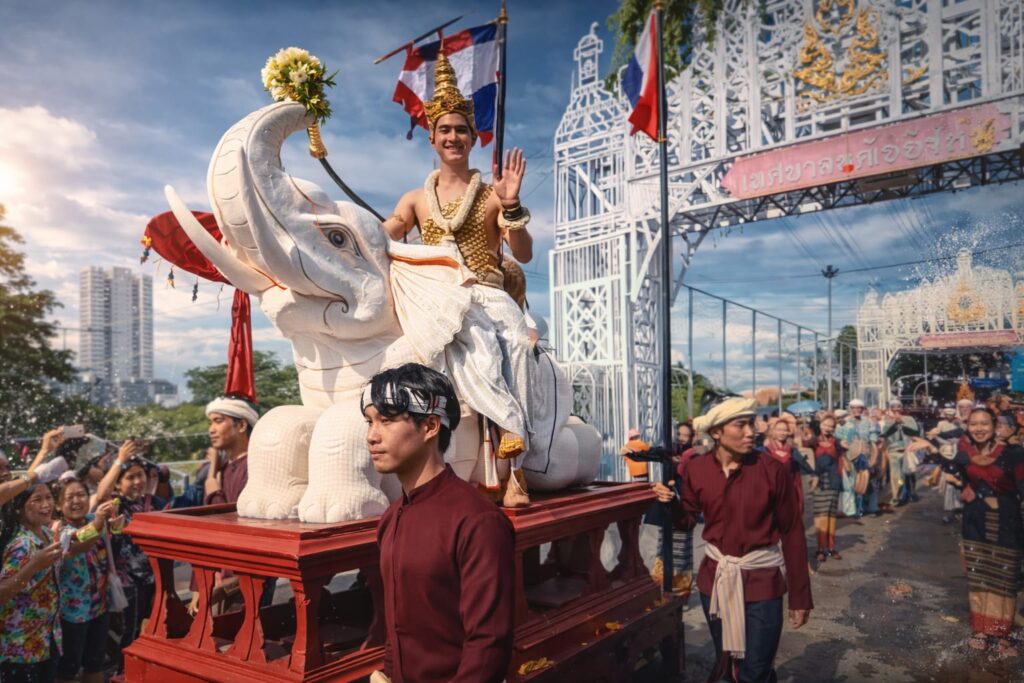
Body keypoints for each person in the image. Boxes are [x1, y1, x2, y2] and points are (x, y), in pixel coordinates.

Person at [382, 52, 534, 505]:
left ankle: (517, 467)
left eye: (461, 130)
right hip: (437, 298)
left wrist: (510, 206)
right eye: (445, 130)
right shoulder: (414, 199)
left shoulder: (490, 195)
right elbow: (382, 235)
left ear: (473, 137)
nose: (453, 137)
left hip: (487, 294)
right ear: (432, 138)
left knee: (520, 347)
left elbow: (522, 252)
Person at [366, 363, 515, 683]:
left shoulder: (477, 521)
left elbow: (488, 645)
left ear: (431, 425)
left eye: (387, 420)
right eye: (370, 421)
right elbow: (395, 628)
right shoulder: (391, 518)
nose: (372, 436)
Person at [652, 397, 812, 682]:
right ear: (716, 432)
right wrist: (670, 503)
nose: (751, 431)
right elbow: (687, 520)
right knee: (728, 665)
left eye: (752, 424)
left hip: (763, 582)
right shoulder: (696, 469)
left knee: (755, 670)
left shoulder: (771, 470)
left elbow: (792, 531)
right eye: (741, 425)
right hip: (715, 582)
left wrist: (800, 596)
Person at [911, 408, 1023, 657]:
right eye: (974, 424)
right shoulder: (967, 453)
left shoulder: (1013, 454)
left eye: (985, 423)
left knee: (1003, 580)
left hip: (1006, 523)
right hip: (974, 522)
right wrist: (931, 450)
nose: (979, 428)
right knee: (979, 577)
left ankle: (1002, 634)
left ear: (994, 426)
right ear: (968, 427)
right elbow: (957, 472)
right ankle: (981, 631)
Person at [93, 440, 166, 667]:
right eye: (130, 477)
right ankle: (122, 672)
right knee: (129, 633)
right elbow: (100, 493)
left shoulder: (153, 503)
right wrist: (120, 461)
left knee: (150, 628)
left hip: (153, 578)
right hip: (127, 582)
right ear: (118, 484)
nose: (137, 481)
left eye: (140, 476)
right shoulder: (117, 504)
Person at [54, 480, 118, 683]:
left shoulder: (94, 519)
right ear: (58, 505)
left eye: (81, 494)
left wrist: (116, 524)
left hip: (99, 605)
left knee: (95, 663)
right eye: (69, 497)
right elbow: (76, 543)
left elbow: (116, 536)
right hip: (71, 613)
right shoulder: (57, 529)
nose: (76, 501)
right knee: (67, 669)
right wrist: (99, 521)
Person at [0, 483, 63, 682]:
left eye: (49, 497)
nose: (46, 504)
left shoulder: (46, 533)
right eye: (37, 499)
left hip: (44, 640)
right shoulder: (22, 544)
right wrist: (34, 565)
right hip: (19, 649)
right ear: (19, 507)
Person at [203, 396, 259, 506]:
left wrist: (213, 492)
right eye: (210, 423)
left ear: (242, 425)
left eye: (218, 421)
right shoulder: (223, 466)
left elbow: (233, 518)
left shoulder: (254, 467)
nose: (211, 430)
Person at [809, 416, 845, 563]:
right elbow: (803, 445)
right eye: (825, 425)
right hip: (819, 482)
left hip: (834, 482)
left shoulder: (836, 442)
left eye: (831, 426)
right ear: (820, 424)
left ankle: (831, 548)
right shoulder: (813, 441)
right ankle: (820, 549)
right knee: (820, 517)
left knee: (831, 516)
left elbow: (845, 452)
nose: (828, 428)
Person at [836, 399, 878, 517]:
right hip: (848, 457)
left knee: (867, 483)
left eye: (859, 408)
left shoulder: (869, 422)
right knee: (849, 484)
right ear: (850, 409)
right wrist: (843, 458)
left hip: (866, 457)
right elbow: (838, 441)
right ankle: (850, 510)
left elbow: (874, 442)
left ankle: (870, 508)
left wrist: (874, 459)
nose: (856, 410)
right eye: (853, 408)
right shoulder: (843, 423)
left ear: (863, 409)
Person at [880, 399, 919, 506]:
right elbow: (885, 435)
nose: (896, 410)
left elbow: (915, 432)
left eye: (898, 407)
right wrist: (894, 424)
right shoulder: (887, 421)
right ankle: (896, 495)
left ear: (901, 408)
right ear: (891, 409)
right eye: (894, 408)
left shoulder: (909, 419)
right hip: (894, 451)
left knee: (910, 473)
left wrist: (903, 423)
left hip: (908, 449)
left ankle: (912, 492)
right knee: (896, 476)